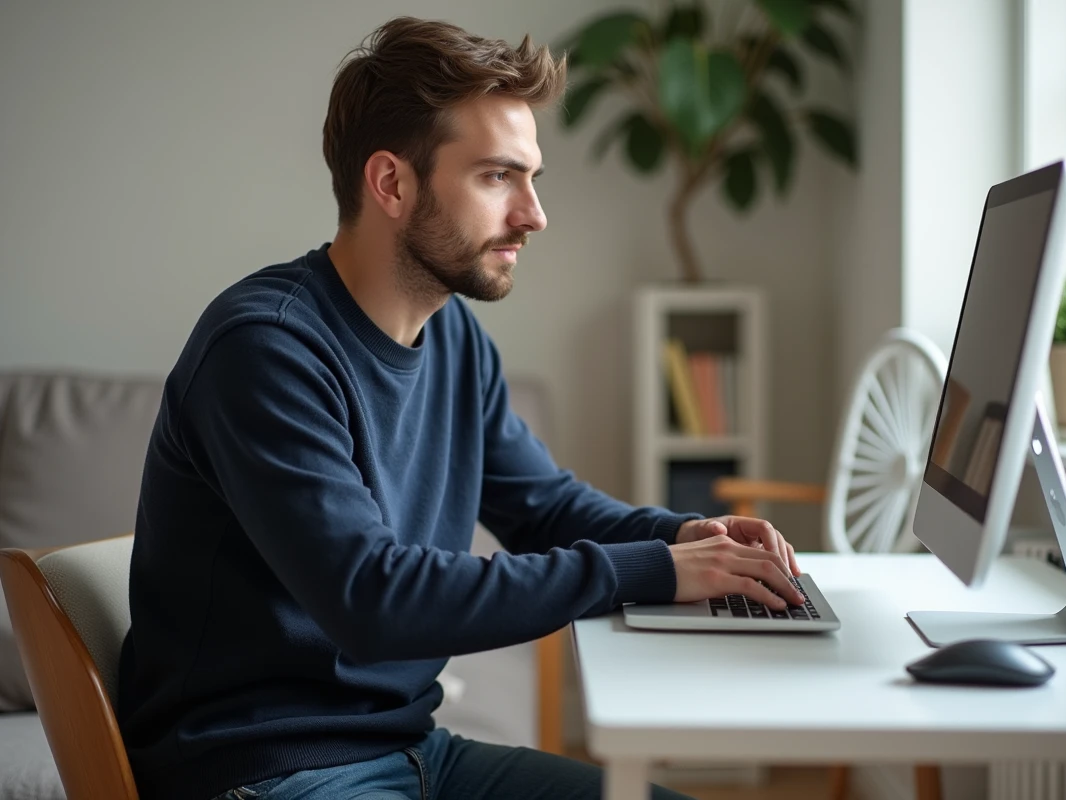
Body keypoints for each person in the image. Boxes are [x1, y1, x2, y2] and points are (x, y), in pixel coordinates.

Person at [116, 15, 805, 800]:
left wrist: (686, 537)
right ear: (392, 183)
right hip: (270, 771)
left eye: (532, 177)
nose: (533, 214)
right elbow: (373, 600)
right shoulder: (265, 350)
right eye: (496, 177)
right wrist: (650, 570)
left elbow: (544, 508)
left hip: (415, 753)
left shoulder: (455, 342)